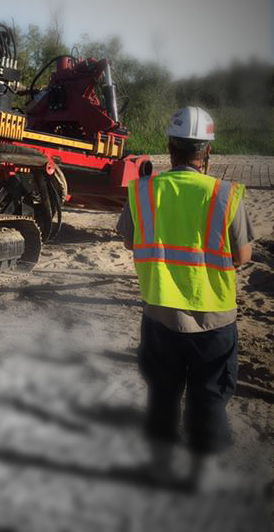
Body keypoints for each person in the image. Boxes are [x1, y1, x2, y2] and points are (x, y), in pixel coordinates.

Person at [116, 106, 255, 490]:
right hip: (215, 319)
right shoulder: (224, 194)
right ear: (206, 151)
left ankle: (160, 468)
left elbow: (129, 239)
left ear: (169, 147)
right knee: (209, 396)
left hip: (160, 314)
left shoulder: (144, 192)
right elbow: (243, 257)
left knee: (162, 392)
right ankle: (201, 477)